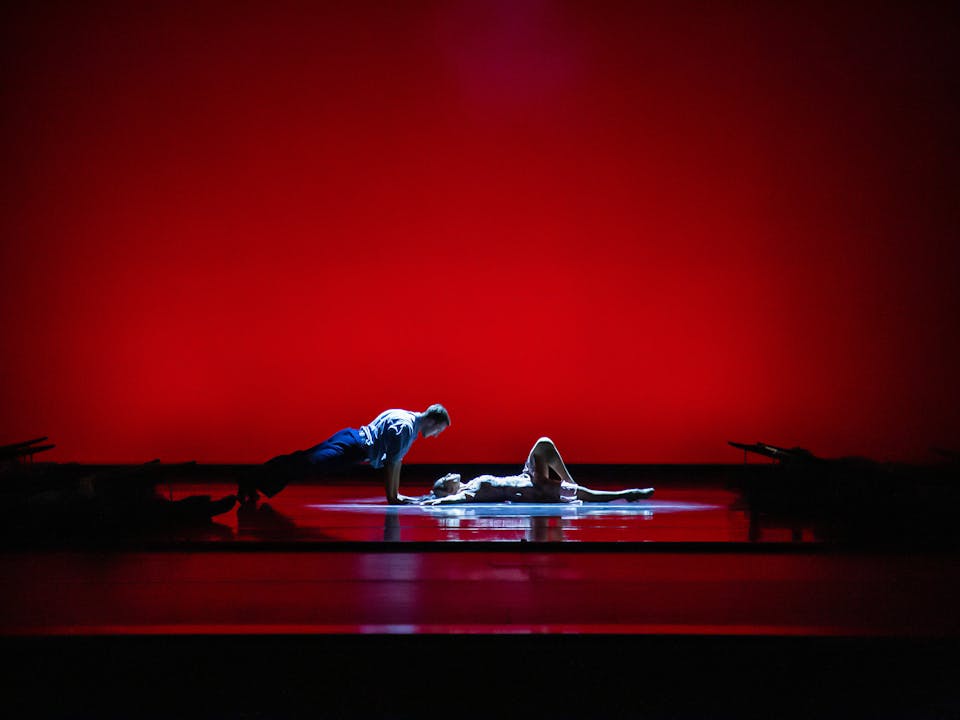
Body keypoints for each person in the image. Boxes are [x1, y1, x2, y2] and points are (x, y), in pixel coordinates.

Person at [239, 404, 450, 505]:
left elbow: (396, 461)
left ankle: (254, 479)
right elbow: (393, 464)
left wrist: (395, 495)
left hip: (350, 437)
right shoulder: (406, 428)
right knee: (305, 464)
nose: (436, 436)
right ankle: (251, 478)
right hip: (353, 448)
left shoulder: (404, 415)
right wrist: (393, 497)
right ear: (432, 421)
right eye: (438, 430)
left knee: (302, 459)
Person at [420, 437, 654, 505]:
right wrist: (437, 502)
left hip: (526, 478)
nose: (450, 474)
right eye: (446, 478)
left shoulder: (470, 484)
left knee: (544, 444)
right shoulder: (468, 493)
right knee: (583, 493)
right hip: (533, 488)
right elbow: (456, 500)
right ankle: (627, 493)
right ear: (447, 488)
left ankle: (571, 482)